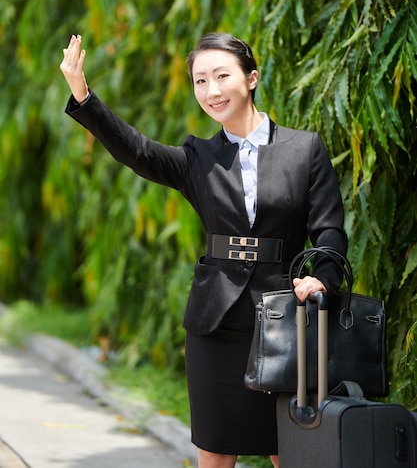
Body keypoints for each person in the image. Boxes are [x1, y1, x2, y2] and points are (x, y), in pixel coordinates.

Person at [60, 32, 347, 468]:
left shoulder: (304, 149)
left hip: (287, 319)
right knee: (214, 453)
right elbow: (137, 151)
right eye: (199, 81)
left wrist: (321, 278)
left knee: (292, 449)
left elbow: (329, 231)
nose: (211, 91)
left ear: (251, 78)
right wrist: (83, 95)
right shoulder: (198, 157)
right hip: (216, 324)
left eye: (221, 76)